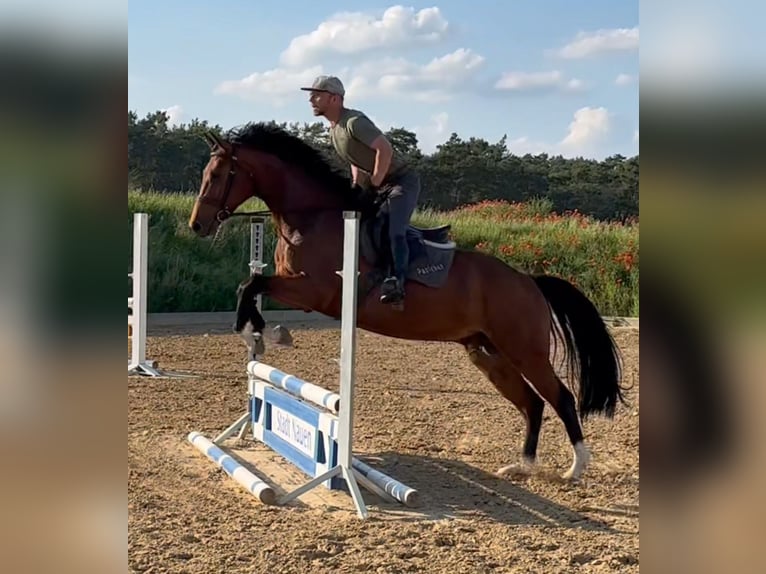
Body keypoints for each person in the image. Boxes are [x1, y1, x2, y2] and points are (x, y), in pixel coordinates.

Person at [300, 75, 420, 306]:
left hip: (401, 182)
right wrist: (357, 188)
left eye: (316, 95)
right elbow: (356, 160)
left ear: (334, 98)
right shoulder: (334, 130)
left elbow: (384, 149)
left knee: (394, 229)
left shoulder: (354, 121)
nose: (311, 100)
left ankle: (397, 282)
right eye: (311, 96)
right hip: (380, 184)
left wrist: (374, 182)